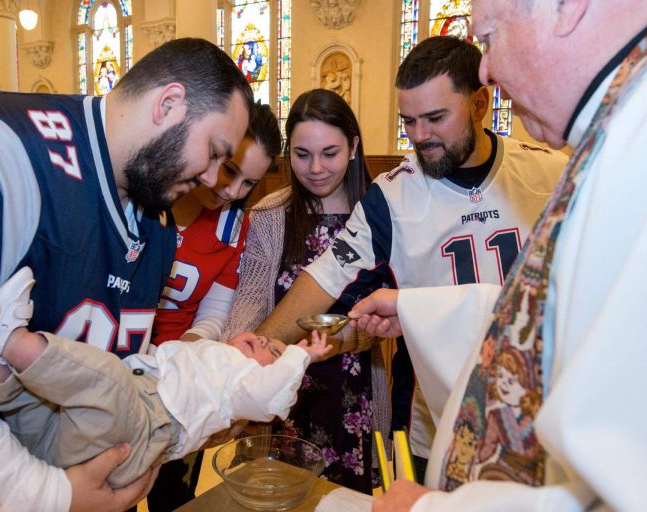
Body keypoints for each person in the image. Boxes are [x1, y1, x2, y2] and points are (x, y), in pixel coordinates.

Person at [0, 37, 253, 512]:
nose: (212, 178)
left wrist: (199, 400)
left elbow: (112, 371)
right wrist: (50, 496)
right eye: (213, 151)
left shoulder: (159, 221)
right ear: (168, 103)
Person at [358, 0, 647, 509]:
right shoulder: (622, 130)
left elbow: (623, 476)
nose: (485, 71)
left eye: (490, 37)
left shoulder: (645, 144)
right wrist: (412, 308)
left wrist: (429, 508)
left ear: (569, 9)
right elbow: (547, 321)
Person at [251, 35, 567, 483]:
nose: (420, 136)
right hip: (435, 423)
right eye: (409, 121)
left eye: (436, 118)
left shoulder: (550, 173)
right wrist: (251, 359)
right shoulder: (392, 196)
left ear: (480, 103)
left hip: (544, 411)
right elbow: (322, 280)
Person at [0, 267, 331, 489]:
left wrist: (300, 356)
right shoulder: (216, 354)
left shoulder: (240, 386)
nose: (264, 340)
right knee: (33, 414)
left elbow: (269, 397)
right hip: (122, 415)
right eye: (266, 340)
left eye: (271, 352)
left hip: (146, 425)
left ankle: (11, 339)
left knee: (101, 377)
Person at [223, 88, 384, 494]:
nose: (315, 168)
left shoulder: (378, 215)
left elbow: (387, 314)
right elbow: (249, 301)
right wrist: (236, 363)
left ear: (353, 147)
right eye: (301, 154)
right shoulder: (271, 215)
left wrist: (344, 339)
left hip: (353, 389)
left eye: (329, 153)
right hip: (285, 389)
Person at [147, 103, 282, 511]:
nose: (233, 191)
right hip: (121, 361)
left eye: (249, 183)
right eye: (230, 171)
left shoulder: (232, 227)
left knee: (173, 494)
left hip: (180, 376)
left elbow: (213, 313)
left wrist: (185, 354)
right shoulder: (149, 201)